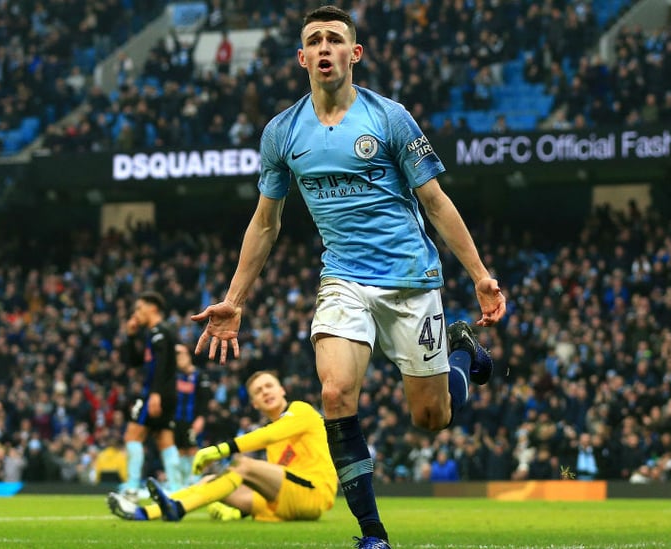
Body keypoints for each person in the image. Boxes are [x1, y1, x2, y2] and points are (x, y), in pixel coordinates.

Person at [189, 6, 505, 548]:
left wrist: (479, 274)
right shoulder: (282, 132)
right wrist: (233, 299)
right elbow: (266, 221)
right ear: (302, 57)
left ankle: (456, 350)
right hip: (344, 280)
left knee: (431, 418)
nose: (325, 47)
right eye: (315, 40)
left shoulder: (389, 118)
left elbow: (434, 200)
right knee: (334, 394)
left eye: (335, 39)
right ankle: (373, 534)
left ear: (354, 54)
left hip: (411, 279)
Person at [107, 370, 337, 523]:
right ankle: (145, 512)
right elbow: (276, 481)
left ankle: (178, 510)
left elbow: (268, 435)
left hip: (315, 495)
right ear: (255, 404)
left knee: (242, 464)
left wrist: (220, 449)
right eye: (259, 391)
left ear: (282, 390)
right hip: (288, 503)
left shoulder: (301, 410)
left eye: (269, 386)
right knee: (210, 480)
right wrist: (237, 510)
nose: (265, 391)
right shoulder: (274, 439)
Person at [119, 291, 182, 497]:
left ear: (152, 308)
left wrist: (155, 394)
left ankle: (132, 487)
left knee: (132, 435)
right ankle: (177, 489)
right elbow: (135, 362)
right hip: (166, 393)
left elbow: (163, 366)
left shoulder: (160, 332)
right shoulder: (154, 333)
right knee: (164, 438)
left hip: (157, 393)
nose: (136, 313)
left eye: (139, 308)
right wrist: (130, 336)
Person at [166, 343, 214, 491]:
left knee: (192, 449)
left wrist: (201, 418)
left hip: (192, 420)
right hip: (176, 420)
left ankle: (194, 482)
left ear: (188, 355)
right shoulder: (173, 376)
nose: (178, 358)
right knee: (179, 450)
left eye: (181, 354)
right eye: (176, 355)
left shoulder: (200, 376)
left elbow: (205, 400)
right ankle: (180, 485)